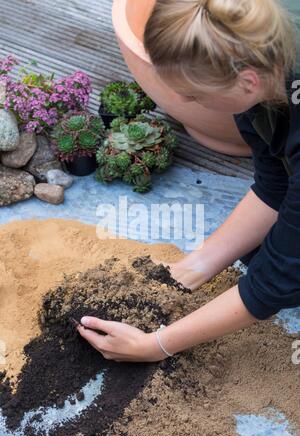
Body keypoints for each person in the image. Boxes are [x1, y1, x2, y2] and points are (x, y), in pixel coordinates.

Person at [78, 0, 300, 362]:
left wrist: (156, 345)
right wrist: (188, 270)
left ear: (248, 80)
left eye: (193, 94)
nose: (179, 100)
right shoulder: (255, 35)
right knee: (255, 253)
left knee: (282, 270)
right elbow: (276, 186)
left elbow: (276, 281)